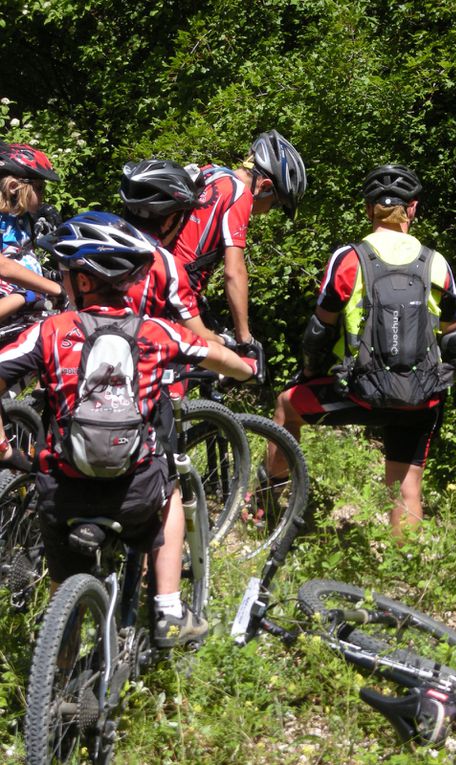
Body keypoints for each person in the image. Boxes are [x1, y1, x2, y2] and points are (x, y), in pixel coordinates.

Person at [0, 212, 257, 646]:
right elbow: (220, 358)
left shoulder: (50, 331)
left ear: (82, 281)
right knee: (170, 491)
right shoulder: (158, 332)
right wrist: (248, 369)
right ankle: (169, 610)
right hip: (134, 492)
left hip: (61, 491)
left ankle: (59, 661)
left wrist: (4, 446)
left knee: (63, 582)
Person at [269, 164, 456, 540]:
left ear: (368, 210)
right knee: (405, 486)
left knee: (285, 406)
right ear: (413, 209)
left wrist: (311, 374)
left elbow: (317, 332)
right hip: (421, 398)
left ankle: (269, 506)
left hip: (361, 394)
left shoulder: (349, 258)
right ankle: (404, 572)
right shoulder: (437, 262)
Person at [121, 130, 307, 348]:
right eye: (275, 203)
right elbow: (234, 271)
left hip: (151, 278)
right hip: (174, 294)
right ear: (264, 186)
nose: (268, 211)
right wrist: (244, 337)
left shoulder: (211, 173)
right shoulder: (239, 194)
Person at [120, 158, 222, 343]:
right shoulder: (165, 265)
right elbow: (199, 337)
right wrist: (227, 342)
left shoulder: (95, 242)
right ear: (170, 220)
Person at [0, 142, 66, 321]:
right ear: (14, 187)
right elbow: (3, 267)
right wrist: (55, 289)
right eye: (40, 188)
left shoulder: (20, 218)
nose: (43, 195)